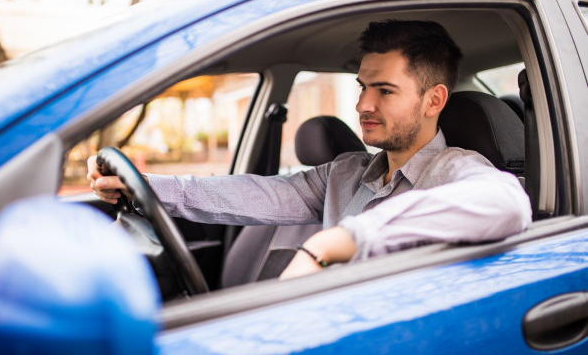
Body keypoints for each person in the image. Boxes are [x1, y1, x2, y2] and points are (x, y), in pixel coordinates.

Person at [87, 20, 532, 280]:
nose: (362, 105)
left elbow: (508, 202)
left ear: (433, 100)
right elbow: (253, 194)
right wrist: (147, 186)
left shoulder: (455, 169)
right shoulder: (346, 172)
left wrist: (337, 241)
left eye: (385, 91)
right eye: (362, 87)